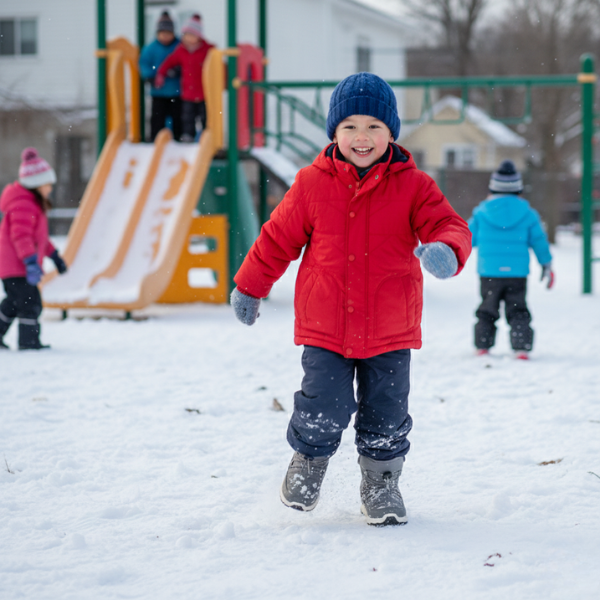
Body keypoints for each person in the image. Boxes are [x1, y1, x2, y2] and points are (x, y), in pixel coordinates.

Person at [230, 73, 472, 526]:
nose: (362, 137)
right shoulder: (311, 183)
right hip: (326, 324)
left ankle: (381, 482)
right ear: (334, 132)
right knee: (322, 403)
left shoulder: (414, 185)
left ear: (391, 132)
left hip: (389, 326)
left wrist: (447, 249)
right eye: (350, 127)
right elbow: (277, 239)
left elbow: (448, 224)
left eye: (374, 126)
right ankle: (308, 462)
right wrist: (250, 285)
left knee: (387, 411)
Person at [469, 160, 553, 360]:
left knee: (487, 308)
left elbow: (467, 239)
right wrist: (546, 264)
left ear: (492, 189)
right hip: (517, 272)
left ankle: (483, 345)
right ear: (519, 190)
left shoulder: (481, 213)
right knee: (518, 309)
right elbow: (539, 241)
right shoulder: (528, 214)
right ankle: (521, 347)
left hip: (489, 271)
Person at [0, 148, 68, 350]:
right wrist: (30, 261)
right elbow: (21, 236)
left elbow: (40, 239)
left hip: (13, 266)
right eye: (48, 185)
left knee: (15, 302)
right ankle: (28, 342)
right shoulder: (24, 204)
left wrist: (55, 256)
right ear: (36, 184)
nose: (50, 189)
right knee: (30, 302)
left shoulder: (30, 204)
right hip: (17, 266)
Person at [155, 14, 214, 143]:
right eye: (186, 35)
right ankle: (188, 135)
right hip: (188, 92)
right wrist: (161, 73)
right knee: (187, 117)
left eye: (192, 35)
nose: (189, 39)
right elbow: (169, 61)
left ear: (199, 37)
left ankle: (207, 136)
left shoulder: (207, 50)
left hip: (204, 92)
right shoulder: (181, 50)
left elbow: (216, 61)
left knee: (205, 116)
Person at [139, 11, 182, 142]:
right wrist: (149, 76)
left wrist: (178, 71)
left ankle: (178, 138)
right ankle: (155, 139)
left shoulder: (179, 47)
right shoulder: (151, 48)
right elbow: (144, 63)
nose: (165, 37)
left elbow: (185, 62)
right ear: (157, 34)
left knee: (177, 117)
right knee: (157, 118)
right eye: (162, 33)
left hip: (176, 91)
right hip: (158, 92)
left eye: (168, 33)